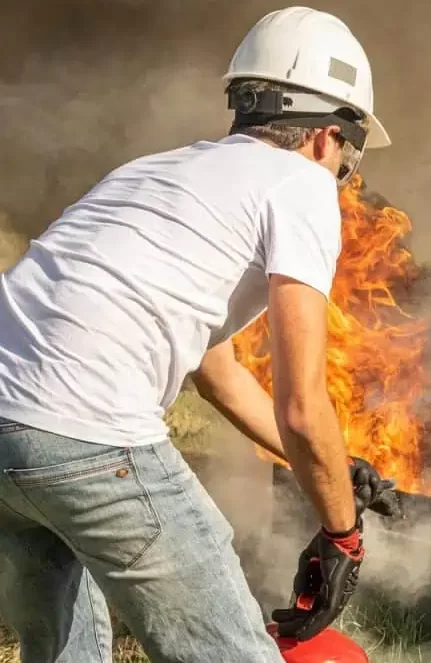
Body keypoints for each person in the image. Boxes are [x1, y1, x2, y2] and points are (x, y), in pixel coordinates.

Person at [0, 7, 397, 662]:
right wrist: (342, 536)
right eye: (348, 165)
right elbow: (302, 405)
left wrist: (336, 471)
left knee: (65, 645)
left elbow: (218, 376)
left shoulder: (160, 174)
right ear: (328, 137)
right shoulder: (301, 185)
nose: (343, 180)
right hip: (87, 428)